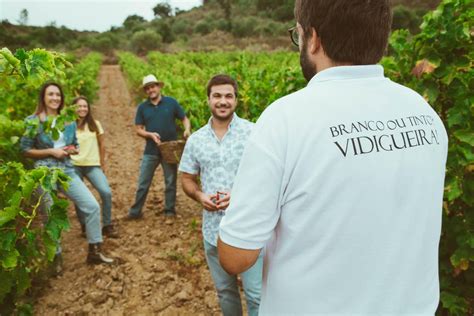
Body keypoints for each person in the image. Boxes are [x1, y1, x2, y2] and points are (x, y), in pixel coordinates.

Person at [217, 1, 448, 315]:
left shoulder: (286, 118)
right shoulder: (424, 113)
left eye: (298, 36)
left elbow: (235, 257)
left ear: (313, 39)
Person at [179, 74, 262, 316]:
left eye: (228, 96)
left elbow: (267, 176)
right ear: (208, 100)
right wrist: (198, 196)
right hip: (213, 229)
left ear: (236, 100)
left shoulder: (253, 132)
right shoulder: (196, 140)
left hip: (250, 227)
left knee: (256, 294)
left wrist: (238, 195)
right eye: (217, 96)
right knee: (226, 292)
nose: (222, 101)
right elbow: (186, 178)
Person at [20, 82, 114, 265]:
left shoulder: (68, 120)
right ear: (43, 97)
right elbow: (25, 150)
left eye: (58, 95)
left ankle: (94, 250)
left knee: (92, 206)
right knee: (49, 214)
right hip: (43, 172)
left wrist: (71, 149)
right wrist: (51, 152)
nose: (55, 98)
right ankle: (56, 256)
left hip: (66, 169)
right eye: (51, 94)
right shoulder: (33, 120)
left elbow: (74, 145)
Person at [128, 74, 191, 219]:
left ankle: (170, 210)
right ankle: (135, 212)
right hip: (151, 150)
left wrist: (187, 129)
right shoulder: (143, 107)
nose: (151, 90)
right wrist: (149, 134)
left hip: (170, 149)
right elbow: (138, 129)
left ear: (158, 87)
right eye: (148, 88)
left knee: (170, 182)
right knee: (143, 183)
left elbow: (184, 119)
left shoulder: (171, 103)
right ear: (146, 91)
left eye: (153, 86)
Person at [70, 96, 118, 238]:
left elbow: (102, 145)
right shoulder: (68, 125)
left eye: (85, 106)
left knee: (106, 192)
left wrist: (102, 163)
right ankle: (85, 225)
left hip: (92, 165)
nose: (82, 109)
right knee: (79, 198)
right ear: (73, 109)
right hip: (74, 166)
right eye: (79, 106)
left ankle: (107, 225)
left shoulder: (95, 124)